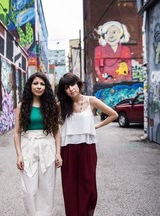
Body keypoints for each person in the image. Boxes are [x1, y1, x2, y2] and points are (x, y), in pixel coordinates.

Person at [57, 72, 118, 216]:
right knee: (70, 186)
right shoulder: (61, 105)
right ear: (64, 90)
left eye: (72, 85)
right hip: (68, 149)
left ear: (78, 84)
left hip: (87, 148)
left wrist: (95, 126)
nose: (71, 89)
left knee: (88, 185)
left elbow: (113, 115)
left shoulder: (91, 101)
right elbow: (52, 126)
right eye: (66, 87)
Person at [14, 72, 62, 216]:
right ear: (30, 86)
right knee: (29, 188)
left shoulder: (51, 106)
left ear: (46, 87)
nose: (39, 87)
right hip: (28, 145)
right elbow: (16, 132)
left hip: (48, 145)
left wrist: (58, 153)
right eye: (35, 83)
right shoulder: (22, 106)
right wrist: (19, 155)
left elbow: (56, 132)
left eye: (42, 84)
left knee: (47, 187)